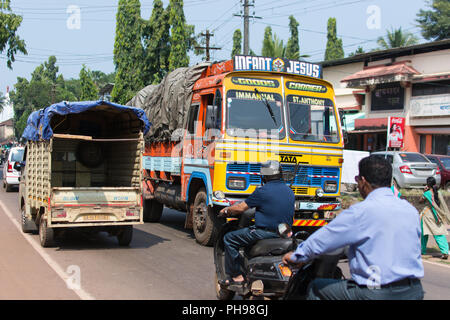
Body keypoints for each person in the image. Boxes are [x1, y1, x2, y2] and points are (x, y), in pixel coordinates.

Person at [282, 156, 424, 300]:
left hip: (375, 292)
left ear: (363, 181)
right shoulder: (410, 210)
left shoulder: (360, 211)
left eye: (357, 180)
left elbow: (324, 238)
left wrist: (296, 256)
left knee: (317, 287)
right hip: (413, 291)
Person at [219, 160, 295, 286]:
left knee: (229, 238)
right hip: (284, 234)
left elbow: (241, 208)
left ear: (264, 175)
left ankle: (237, 276)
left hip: (265, 233)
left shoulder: (262, 191)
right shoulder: (289, 191)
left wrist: (226, 210)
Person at [420, 177, 450, 260]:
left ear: (427, 184)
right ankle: (445, 251)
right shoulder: (438, 192)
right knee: (439, 233)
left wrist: (424, 192)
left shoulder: (427, 193)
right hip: (438, 215)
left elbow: (420, 201)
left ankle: (423, 250)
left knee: (424, 233)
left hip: (428, 215)